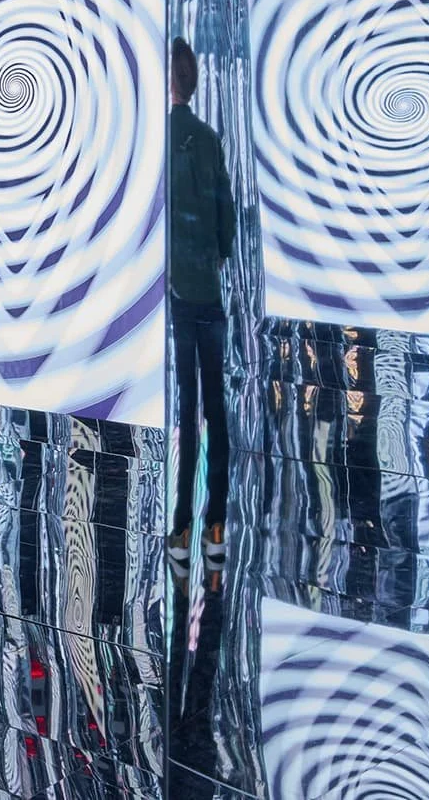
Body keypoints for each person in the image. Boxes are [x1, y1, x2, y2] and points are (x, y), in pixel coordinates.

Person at [167, 40, 237, 572]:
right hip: (209, 294)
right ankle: (217, 522)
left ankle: (182, 525)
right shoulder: (209, 139)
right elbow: (225, 211)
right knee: (216, 408)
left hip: (174, 296)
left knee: (187, 413)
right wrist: (219, 254)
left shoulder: (158, 141)